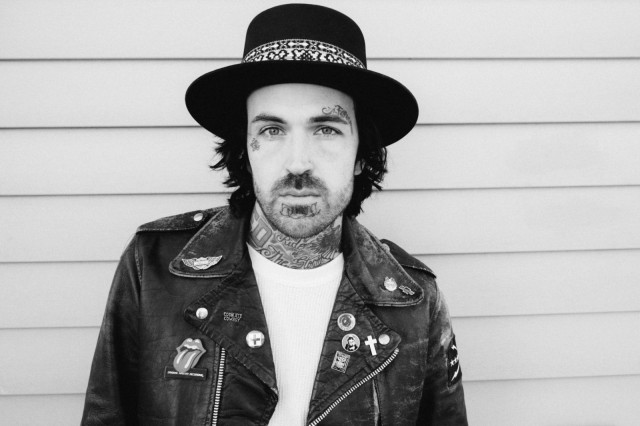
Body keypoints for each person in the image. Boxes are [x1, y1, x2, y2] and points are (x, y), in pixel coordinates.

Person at [81, 4, 467, 425]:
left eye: (327, 129)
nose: (298, 163)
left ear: (361, 154)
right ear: (245, 150)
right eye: (271, 130)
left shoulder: (413, 301)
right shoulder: (154, 267)